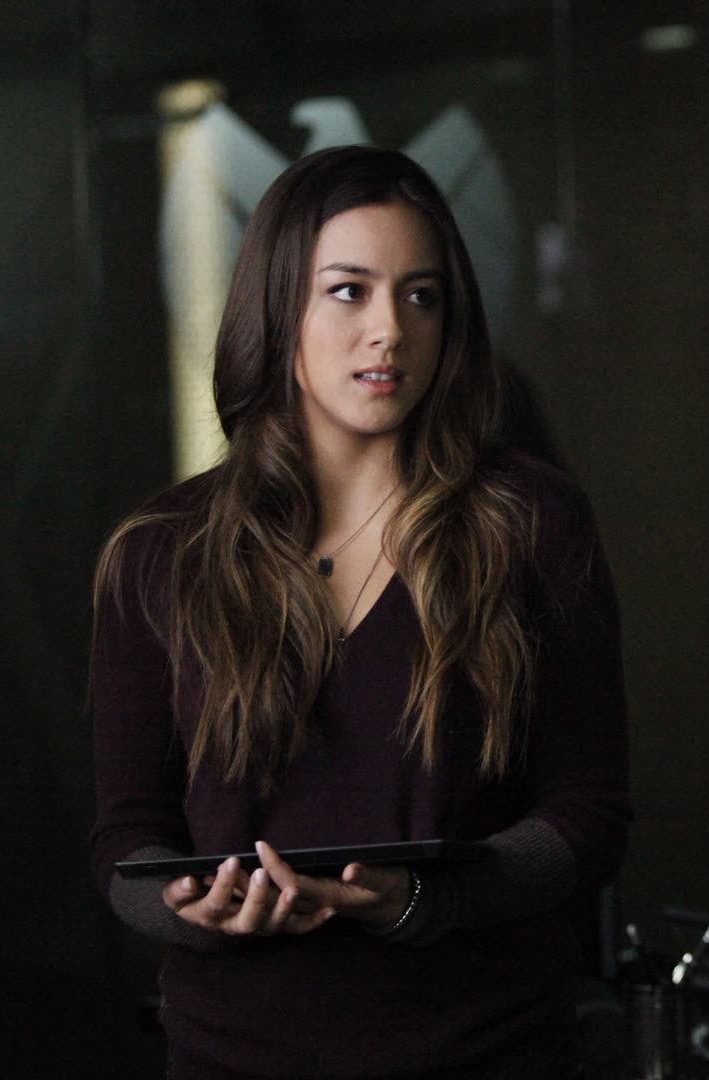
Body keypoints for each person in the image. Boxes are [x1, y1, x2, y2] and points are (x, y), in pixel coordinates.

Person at [89, 146, 630, 1078]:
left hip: (485, 1051)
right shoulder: (161, 552)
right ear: (278, 308)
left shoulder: (531, 525)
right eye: (349, 291)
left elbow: (588, 814)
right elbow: (124, 837)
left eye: (421, 297)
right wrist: (192, 909)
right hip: (235, 1057)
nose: (390, 330)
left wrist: (426, 899)